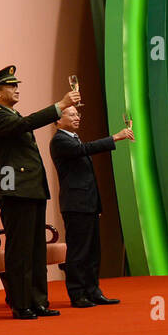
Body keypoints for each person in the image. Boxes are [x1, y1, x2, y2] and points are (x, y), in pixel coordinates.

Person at [0, 65, 80, 320]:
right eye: (11, 85)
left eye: (17, 85)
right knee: (20, 249)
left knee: (36, 248)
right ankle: (21, 303)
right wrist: (59, 105)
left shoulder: (12, 114)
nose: (16, 89)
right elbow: (27, 124)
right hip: (15, 189)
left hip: (31, 188)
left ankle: (38, 300)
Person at [50, 106, 132, 307]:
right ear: (58, 121)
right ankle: (77, 293)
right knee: (79, 251)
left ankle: (93, 290)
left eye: (78, 114)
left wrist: (97, 204)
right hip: (75, 205)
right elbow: (84, 150)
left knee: (93, 251)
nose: (77, 117)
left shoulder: (74, 138)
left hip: (88, 204)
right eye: (71, 114)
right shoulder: (60, 140)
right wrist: (115, 137)